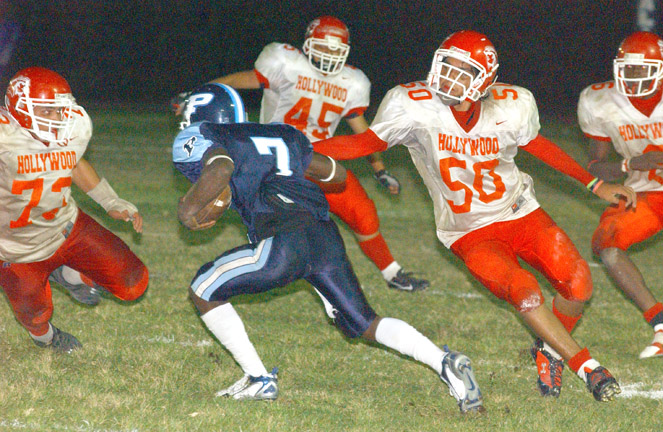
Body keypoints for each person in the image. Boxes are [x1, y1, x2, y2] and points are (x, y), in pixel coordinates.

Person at [313, 30, 639, 402]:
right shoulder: (413, 104)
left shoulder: (512, 103)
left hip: (521, 212)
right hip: (469, 230)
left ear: (484, 78)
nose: (449, 76)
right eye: (445, 65)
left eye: (462, 70)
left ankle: (548, 351)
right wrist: (300, 146)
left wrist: (594, 183)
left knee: (579, 284)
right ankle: (587, 366)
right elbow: (363, 143)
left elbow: (539, 146)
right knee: (525, 292)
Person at [172, 82, 484, 413]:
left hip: (281, 241)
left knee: (204, 288)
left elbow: (220, 167)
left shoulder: (205, 135)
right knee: (364, 324)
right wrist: (281, 173)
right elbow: (336, 176)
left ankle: (258, 378)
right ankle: (444, 362)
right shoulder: (282, 134)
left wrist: (188, 211)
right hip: (324, 237)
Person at [183, 16, 428, 292]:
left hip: (319, 159)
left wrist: (380, 169)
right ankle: (259, 269)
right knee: (279, 223)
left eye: (336, 50)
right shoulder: (286, 63)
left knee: (362, 212)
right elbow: (238, 80)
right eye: (324, 47)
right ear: (308, 44)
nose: (329, 55)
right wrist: (197, 94)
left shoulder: (352, 82)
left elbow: (363, 133)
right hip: (275, 160)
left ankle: (392, 273)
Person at [0, 67, 149, 353]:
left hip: (68, 228)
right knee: (36, 317)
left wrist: (110, 201)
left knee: (133, 284)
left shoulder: (71, 127)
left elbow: (73, 161)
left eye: (59, 110)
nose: (57, 119)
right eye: (48, 111)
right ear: (19, 109)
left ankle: (68, 274)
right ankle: (50, 339)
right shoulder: (6, 138)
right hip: (17, 251)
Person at [578, 31, 663, 359]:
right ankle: (659, 323)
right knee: (608, 247)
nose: (633, 77)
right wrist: (632, 163)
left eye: (642, 71)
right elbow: (595, 168)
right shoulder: (599, 100)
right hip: (644, 193)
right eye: (628, 69)